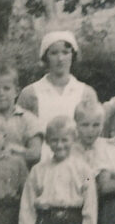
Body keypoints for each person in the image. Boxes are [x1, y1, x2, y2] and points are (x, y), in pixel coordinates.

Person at [17, 31, 100, 160]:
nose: (60, 58)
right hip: (42, 162)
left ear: (73, 56)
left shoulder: (86, 92)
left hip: (78, 161)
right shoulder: (30, 92)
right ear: (46, 57)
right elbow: (21, 132)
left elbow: (94, 131)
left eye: (65, 53)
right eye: (54, 53)